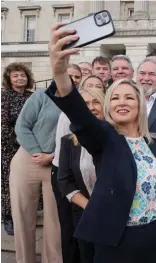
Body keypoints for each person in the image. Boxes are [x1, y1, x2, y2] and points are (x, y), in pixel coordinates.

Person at [47, 23, 156, 262]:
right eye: (116, 98)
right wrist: (59, 72)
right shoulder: (105, 138)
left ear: (140, 104)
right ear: (109, 106)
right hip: (118, 242)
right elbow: (80, 115)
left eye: (130, 97)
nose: (122, 102)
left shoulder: (154, 144)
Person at [51, 75, 105, 263]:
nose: (91, 107)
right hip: (83, 212)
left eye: (96, 102)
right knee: (87, 256)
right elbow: (64, 180)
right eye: (85, 103)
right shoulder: (68, 142)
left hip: (113, 214)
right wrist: (88, 206)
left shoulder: (116, 139)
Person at [10, 84, 62, 262]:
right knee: (22, 217)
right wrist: (37, 151)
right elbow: (22, 126)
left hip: (55, 163)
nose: (73, 80)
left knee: (55, 221)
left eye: (77, 77)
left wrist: (52, 156)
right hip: (27, 158)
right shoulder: (41, 95)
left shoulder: (78, 102)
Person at [1, 63, 34, 235]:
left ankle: (27, 215)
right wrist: (18, 143)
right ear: (9, 78)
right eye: (15, 76)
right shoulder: (4, 96)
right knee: (8, 183)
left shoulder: (31, 96)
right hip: (9, 147)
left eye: (23, 75)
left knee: (26, 184)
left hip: (30, 145)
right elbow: (3, 124)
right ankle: (8, 217)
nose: (20, 78)